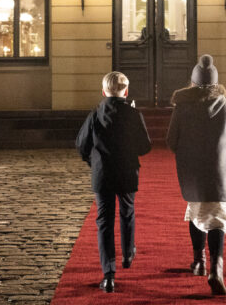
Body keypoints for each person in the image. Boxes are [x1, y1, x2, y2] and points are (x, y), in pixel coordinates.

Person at [167, 54, 226, 296]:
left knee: (196, 210)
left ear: (193, 81)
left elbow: (171, 140)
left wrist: (188, 151)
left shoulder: (183, 105)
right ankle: (216, 270)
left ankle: (198, 262)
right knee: (218, 217)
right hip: (218, 170)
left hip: (192, 169)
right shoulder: (225, 103)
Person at [75, 71, 152, 293]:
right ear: (126, 91)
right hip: (127, 172)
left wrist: (93, 161)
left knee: (104, 222)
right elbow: (145, 146)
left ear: (103, 91)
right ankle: (128, 254)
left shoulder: (95, 114)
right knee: (127, 212)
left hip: (102, 174)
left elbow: (81, 144)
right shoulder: (133, 114)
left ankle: (108, 274)